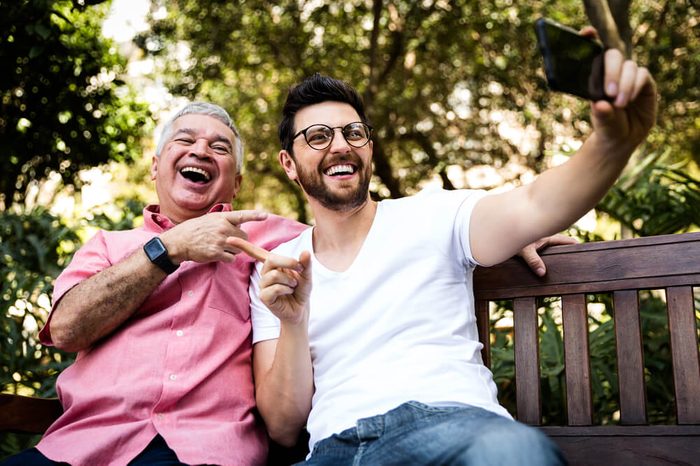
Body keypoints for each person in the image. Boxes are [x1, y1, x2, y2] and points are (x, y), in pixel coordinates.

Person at [248, 49, 656, 466]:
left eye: (354, 132)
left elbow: (535, 205)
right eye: (318, 137)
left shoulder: (435, 215)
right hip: (333, 451)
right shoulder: (277, 269)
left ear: (369, 147)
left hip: (448, 427)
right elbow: (282, 425)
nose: (340, 146)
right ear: (290, 165)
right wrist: (293, 322)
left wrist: (611, 143)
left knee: (514, 454)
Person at [1, 102, 308, 466]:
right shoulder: (106, 246)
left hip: (206, 451)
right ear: (155, 167)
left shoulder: (272, 240)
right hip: (81, 448)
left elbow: (346, 241)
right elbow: (67, 330)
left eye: (220, 147)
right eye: (185, 139)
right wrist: (170, 248)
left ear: (237, 184)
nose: (200, 151)